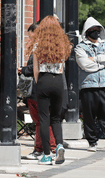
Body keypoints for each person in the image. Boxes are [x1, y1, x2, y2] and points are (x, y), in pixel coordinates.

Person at [75, 17, 105, 152]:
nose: (95, 32)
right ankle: (92, 142)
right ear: (86, 31)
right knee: (89, 116)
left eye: (97, 30)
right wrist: (103, 63)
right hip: (88, 86)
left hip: (104, 85)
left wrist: (96, 59)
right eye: (92, 30)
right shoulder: (80, 47)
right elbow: (85, 65)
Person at [27, 15, 71, 165]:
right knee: (56, 118)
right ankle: (59, 144)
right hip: (58, 81)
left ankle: (46, 155)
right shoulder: (62, 44)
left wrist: (40, 84)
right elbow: (63, 65)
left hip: (44, 80)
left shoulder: (37, 44)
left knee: (44, 119)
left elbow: (35, 69)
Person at [18, 23, 57, 160]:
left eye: (31, 35)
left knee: (41, 120)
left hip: (39, 89)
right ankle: (47, 148)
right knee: (43, 120)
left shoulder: (40, 47)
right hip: (44, 88)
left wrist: (23, 70)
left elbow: (38, 67)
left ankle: (44, 149)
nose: (30, 39)